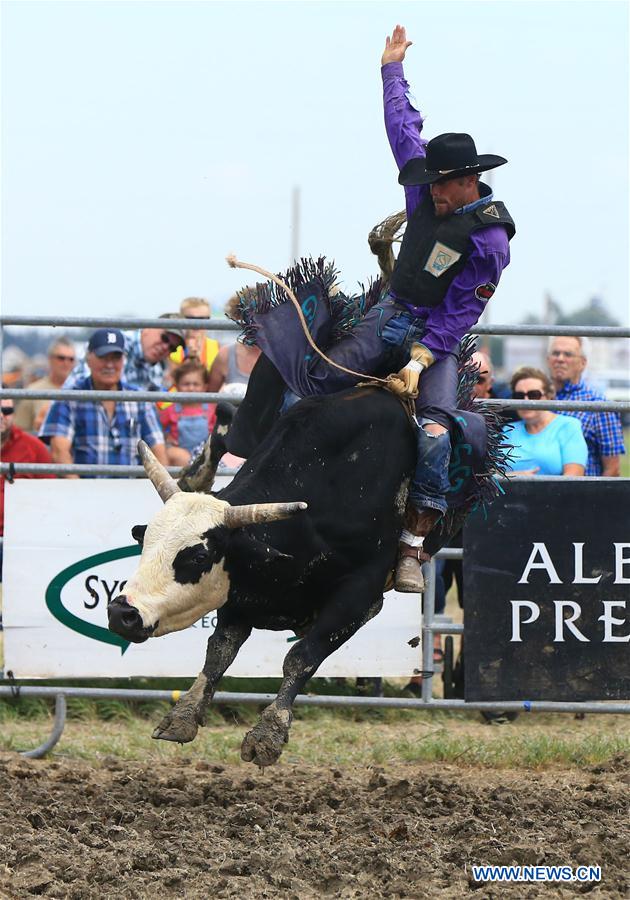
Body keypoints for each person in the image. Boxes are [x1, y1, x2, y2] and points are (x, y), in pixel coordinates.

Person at [229, 25, 515, 594]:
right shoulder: (426, 183)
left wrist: (423, 357)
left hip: (433, 334)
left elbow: (461, 312)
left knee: (437, 433)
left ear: (466, 181)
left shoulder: (489, 240)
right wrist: (391, 70)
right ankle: (263, 476)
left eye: (438, 184)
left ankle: (411, 545)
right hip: (390, 311)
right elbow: (402, 127)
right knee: (309, 379)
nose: (428, 191)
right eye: (428, 180)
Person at [39, 328, 167, 474]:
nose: (110, 365)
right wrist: (76, 489)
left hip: (130, 491)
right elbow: (59, 452)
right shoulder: (69, 399)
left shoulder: (140, 399)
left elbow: (158, 452)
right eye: (103, 357)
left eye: (116, 358)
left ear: (123, 361)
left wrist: (148, 492)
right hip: (84, 490)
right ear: (88, 360)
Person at [547, 336, 625, 476]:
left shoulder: (599, 405)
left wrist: (595, 497)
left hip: (581, 494)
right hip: (538, 493)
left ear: (583, 363)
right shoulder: (537, 398)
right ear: (548, 360)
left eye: (568, 354)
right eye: (555, 353)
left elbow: (612, 468)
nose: (560, 359)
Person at [0, 402, 54, 577]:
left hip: (19, 543)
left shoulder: (34, 447)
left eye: (6, 411)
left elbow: (51, 497)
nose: (1, 415)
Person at [502, 366, 587, 476]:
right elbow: (490, 476)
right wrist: (516, 477)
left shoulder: (568, 426)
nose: (525, 401)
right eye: (519, 396)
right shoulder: (507, 430)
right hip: (511, 493)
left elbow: (574, 477)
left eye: (534, 395)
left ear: (548, 396)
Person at [65, 316, 185, 392]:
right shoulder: (115, 342)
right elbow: (87, 388)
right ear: (148, 328)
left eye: (172, 348)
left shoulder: (157, 370)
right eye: (164, 338)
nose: (165, 347)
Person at [159, 359, 217, 466]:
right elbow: (158, 429)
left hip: (205, 455)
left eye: (196, 384)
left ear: (205, 387)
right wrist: (167, 438)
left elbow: (219, 432)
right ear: (176, 386)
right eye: (186, 384)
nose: (191, 388)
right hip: (180, 458)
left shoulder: (211, 409)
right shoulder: (170, 410)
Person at [13, 337, 76, 434]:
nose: (66, 363)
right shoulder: (32, 392)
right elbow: (18, 432)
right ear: (50, 359)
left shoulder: (81, 390)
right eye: (61, 358)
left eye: (71, 359)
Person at [208, 296, 261, 394]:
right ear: (239, 318)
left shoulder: (279, 355)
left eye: (261, 314)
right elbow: (211, 397)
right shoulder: (225, 355)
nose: (255, 321)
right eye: (249, 316)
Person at [169, 297, 221, 373]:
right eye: (190, 319)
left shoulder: (218, 348)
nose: (196, 324)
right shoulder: (170, 346)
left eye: (202, 319)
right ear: (181, 319)